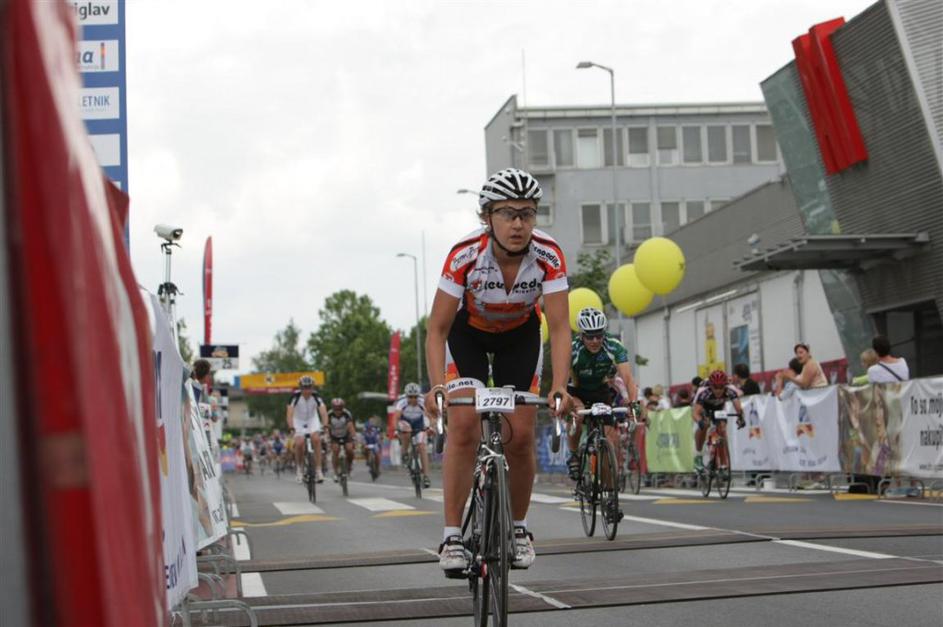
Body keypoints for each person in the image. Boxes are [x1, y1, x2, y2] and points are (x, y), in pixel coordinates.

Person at [423, 167, 571, 574]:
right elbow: (436, 330)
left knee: (520, 436)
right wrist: (436, 386)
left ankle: (519, 529)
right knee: (464, 427)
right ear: (488, 217)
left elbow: (560, 327)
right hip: (467, 335)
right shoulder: (464, 255)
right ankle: (452, 536)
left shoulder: (549, 255)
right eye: (508, 213)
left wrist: (561, 385)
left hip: (519, 337)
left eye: (527, 213)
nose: (518, 224)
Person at [566, 307, 638, 494]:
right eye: (590, 336)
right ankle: (573, 454)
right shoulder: (572, 350)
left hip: (600, 391)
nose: (595, 341)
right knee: (578, 416)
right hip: (576, 390)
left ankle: (610, 492)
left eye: (599, 335)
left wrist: (633, 404)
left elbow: (628, 379)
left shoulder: (614, 346)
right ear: (581, 335)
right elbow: (562, 381)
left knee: (611, 440)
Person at [691, 370, 744, 473]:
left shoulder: (730, 390)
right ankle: (698, 455)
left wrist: (741, 418)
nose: (718, 390)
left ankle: (723, 464)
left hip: (719, 408)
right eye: (715, 387)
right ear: (710, 386)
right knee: (705, 425)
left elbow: (739, 409)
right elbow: (695, 413)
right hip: (704, 408)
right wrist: (700, 422)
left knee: (722, 429)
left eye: (721, 387)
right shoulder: (703, 391)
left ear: (725, 385)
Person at [286, 375, 327, 483]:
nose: (307, 390)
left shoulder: (316, 396)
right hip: (298, 420)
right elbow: (289, 414)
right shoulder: (295, 397)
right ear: (300, 387)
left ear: (312, 387)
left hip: (312, 419)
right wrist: (291, 427)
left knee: (316, 439)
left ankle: (318, 470)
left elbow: (323, 412)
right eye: (304, 388)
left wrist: (325, 425)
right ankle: (299, 469)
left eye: (309, 387)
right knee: (299, 443)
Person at [395, 382, 433, 488]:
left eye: (415, 397)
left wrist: (431, 427)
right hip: (405, 422)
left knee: (422, 446)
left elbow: (429, 416)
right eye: (410, 397)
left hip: (418, 424)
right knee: (406, 430)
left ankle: (426, 476)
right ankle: (405, 453)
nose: (413, 399)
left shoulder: (422, 401)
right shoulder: (401, 402)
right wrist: (396, 430)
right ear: (406, 396)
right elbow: (396, 417)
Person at [327, 398, 356, 481]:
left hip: (346, 435)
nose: (338, 411)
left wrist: (354, 436)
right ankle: (335, 472)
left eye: (339, 408)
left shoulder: (346, 413)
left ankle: (349, 467)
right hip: (334, 435)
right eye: (335, 409)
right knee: (335, 450)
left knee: (349, 449)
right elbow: (327, 427)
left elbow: (350, 426)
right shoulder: (329, 414)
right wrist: (327, 437)